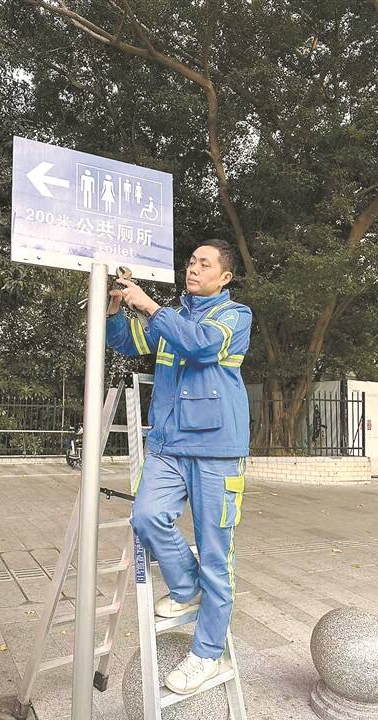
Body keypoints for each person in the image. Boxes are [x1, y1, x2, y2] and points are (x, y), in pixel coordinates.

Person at [106, 239, 252, 695]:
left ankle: (206, 653)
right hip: (168, 446)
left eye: (204, 264)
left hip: (217, 451)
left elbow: (201, 346)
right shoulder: (172, 317)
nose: (193, 269)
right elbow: (126, 342)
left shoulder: (235, 316)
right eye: (191, 261)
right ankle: (187, 588)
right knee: (146, 516)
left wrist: (149, 305)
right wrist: (116, 306)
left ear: (224, 277)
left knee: (216, 554)